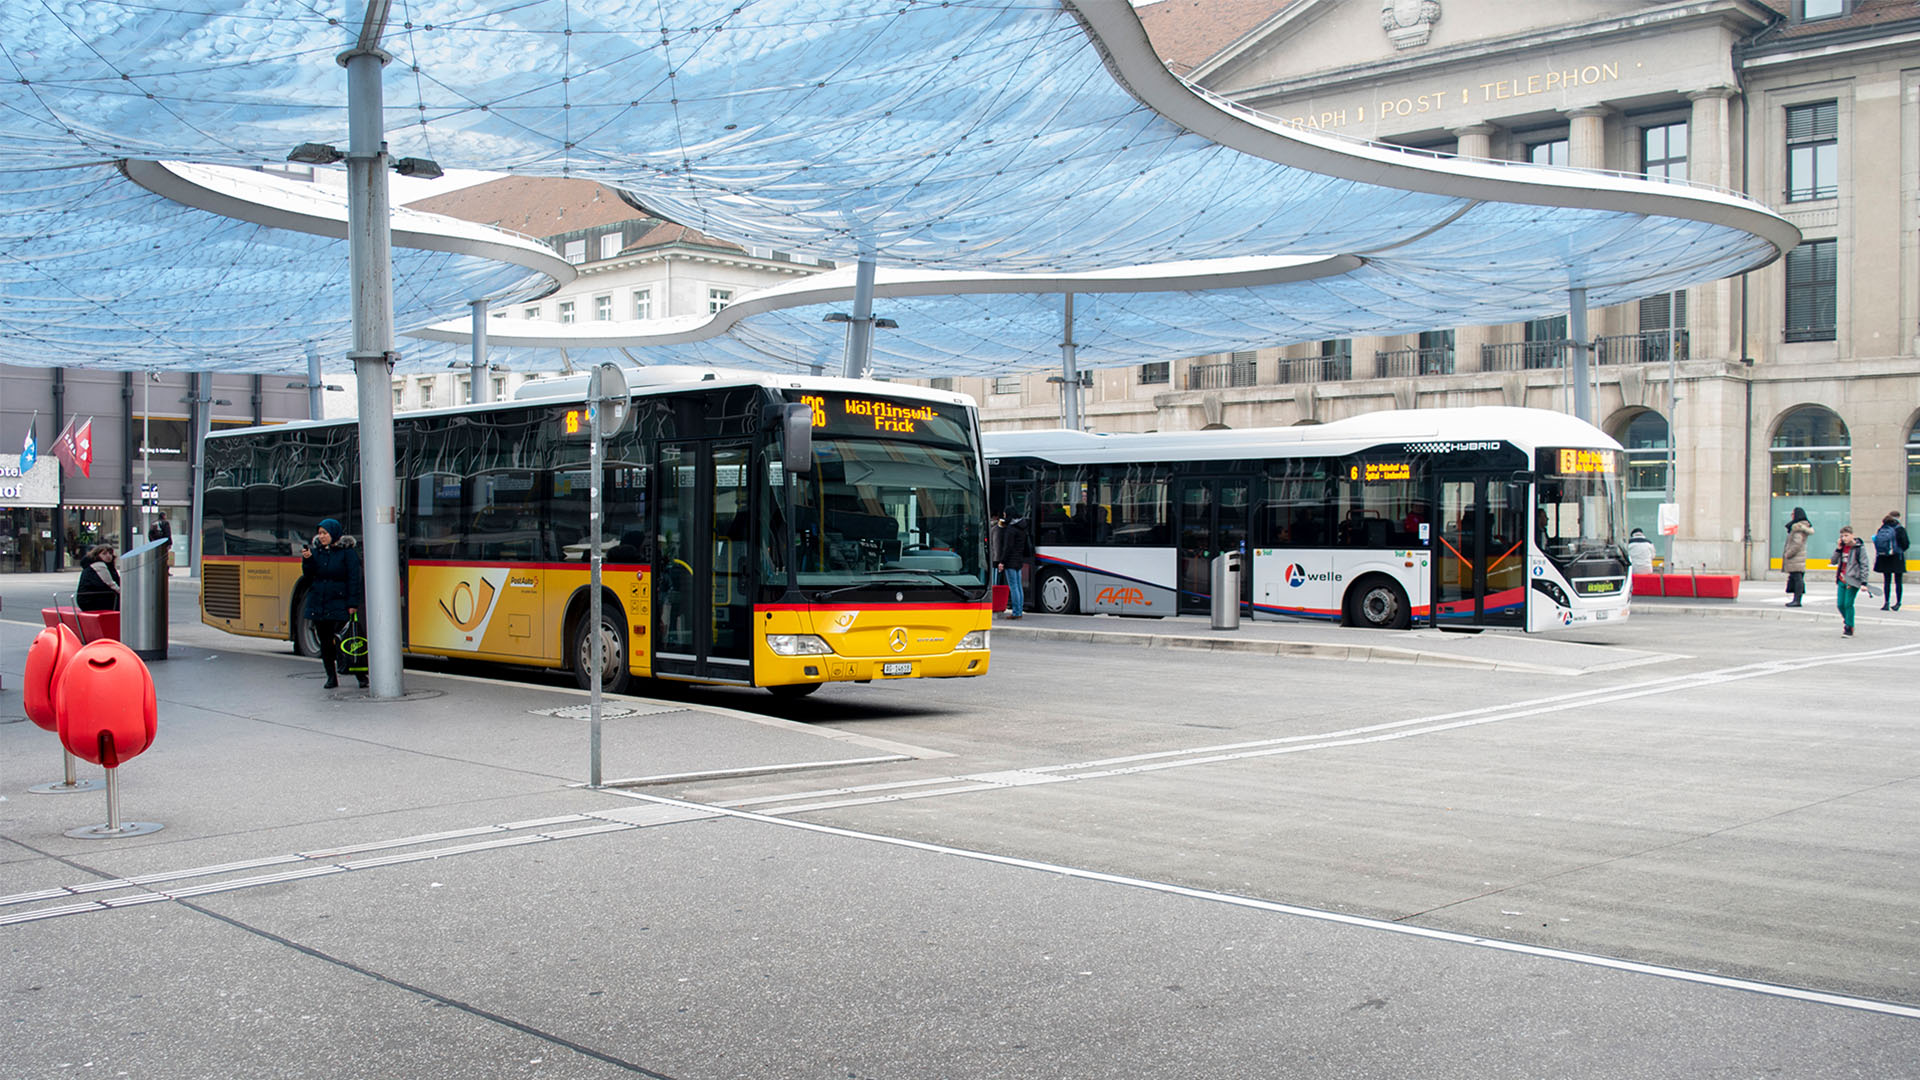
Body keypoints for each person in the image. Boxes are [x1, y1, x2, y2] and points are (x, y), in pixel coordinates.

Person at [301, 517, 366, 688]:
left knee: (347, 639)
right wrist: (307, 560)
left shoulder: (347, 552)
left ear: (334, 533)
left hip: (339, 603)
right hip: (319, 603)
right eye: (320, 533)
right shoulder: (316, 552)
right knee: (325, 642)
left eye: (325, 533)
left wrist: (353, 603)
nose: (322, 536)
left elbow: (354, 578)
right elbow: (309, 576)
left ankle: (360, 675)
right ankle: (331, 676)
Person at [991, 510, 1033, 619]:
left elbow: (1007, 548)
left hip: (1010, 561)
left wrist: (1002, 561)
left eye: (1005, 515)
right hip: (1019, 560)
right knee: (1018, 586)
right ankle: (1019, 610)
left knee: (1013, 587)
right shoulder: (1022, 527)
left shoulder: (1011, 529)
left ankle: (1015, 612)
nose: (1004, 517)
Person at [1833, 524, 1870, 637]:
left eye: (1846, 535)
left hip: (1853, 580)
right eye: (1842, 536)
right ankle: (1848, 620)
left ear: (1852, 535)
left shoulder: (1859, 548)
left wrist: (1864, 582)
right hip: (1841, 579)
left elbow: (1864, 565)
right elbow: (1833, 561)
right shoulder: (1842, 548)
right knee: (1840, 604)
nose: (1844, 538)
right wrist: (1838, 549)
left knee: (1848, 604)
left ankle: (1849, 627)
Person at [1871, 511, 1908, 611]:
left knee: (1887, 581)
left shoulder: (1881, 529)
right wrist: (1899, 550)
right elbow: (1906, 543)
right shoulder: (1899, 529)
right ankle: (1897, 602)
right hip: (1897, 557)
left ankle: (1886, 602)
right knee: (1898, 581)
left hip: (1884, 557)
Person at [1781, 507, 1813, 608]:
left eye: (1793, 513)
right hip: (1798, 557)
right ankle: (1796, 599)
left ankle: (1797, 600)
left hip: (1796, 557)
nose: (1791, 515)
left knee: (1797, 577)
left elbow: (1797, 544)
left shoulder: (1797, 528)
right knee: (1797, 578)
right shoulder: (1800, 527)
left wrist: (1788, 554)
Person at [75, 544, 121, 612]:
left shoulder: (94, 565)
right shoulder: (99, 565)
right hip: (92, 600)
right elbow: (111, 584)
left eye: (110, 553)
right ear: (97, 555)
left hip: (87, 599)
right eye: (104, 554)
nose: (108, 556)